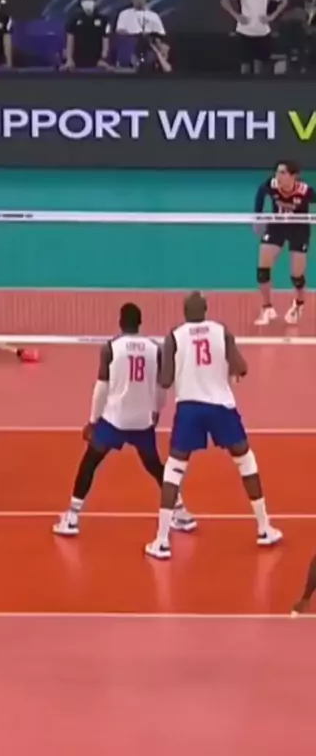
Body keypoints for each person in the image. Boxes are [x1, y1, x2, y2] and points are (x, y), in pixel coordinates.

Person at [145, 292, 282, 560]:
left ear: (185, 311)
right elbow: (241, 366)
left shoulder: (175, 336)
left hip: (189, 409)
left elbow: (165, 380)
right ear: (206, 310)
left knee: (174, 469)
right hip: (221, 407)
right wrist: (232, 371)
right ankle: (264, 528)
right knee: (245, 461)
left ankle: (161, 541)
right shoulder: (221, 331)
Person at [53, 303, 193, 537]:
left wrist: (93, 420)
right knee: (155, 466)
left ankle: (72, 517)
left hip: (114, 421)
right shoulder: (155, 349)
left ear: (120, 322)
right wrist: (156, 411)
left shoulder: (110, 348)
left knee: (90, 462)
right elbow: (161, 387)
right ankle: (181, 512)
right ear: (140, 323)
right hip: (142, 421)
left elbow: (101, 388)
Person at [254, 161, 316, 326]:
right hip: (277, 226)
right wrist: (257, 216)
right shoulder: (272, 184)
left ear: (293, 176)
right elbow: (261, 192)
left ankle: (299, 304)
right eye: (277, 172)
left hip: (299, 230)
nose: (278, 176)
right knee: (262, 271)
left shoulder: (305, 191)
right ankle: (267, 308)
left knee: (297, 276)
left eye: (282, 173)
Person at [221, 0, 287, 75]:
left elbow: (284, 0)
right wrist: (236, 15)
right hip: (244, 30)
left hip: (262, 31)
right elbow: (224, 0)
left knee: (259, 66)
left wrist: (272, 16)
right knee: (245, 65)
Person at [62, 0, 111, 70]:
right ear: (81, 2)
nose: (88, 3)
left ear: (95, 2)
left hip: (97, 61)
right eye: (85, 0)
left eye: (91, 0)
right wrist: (70, 59)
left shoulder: (104, 20)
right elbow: (70, 39)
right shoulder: (73, 19)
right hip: (77, 61)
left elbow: (105, 41)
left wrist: (103, 59)